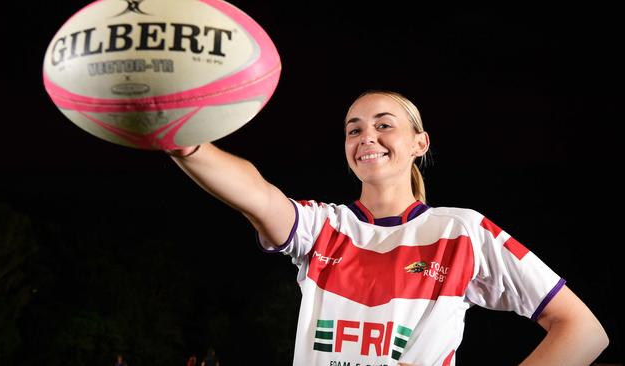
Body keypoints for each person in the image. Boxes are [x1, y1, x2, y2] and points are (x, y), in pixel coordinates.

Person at [166, 90, 609, 365]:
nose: (367, 138)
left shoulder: (463, 231)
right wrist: (186, 144)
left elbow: (583, 331)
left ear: (420, 143)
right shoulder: (324, 227)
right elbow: (257, 194)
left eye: (383, 126)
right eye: (353, 130)